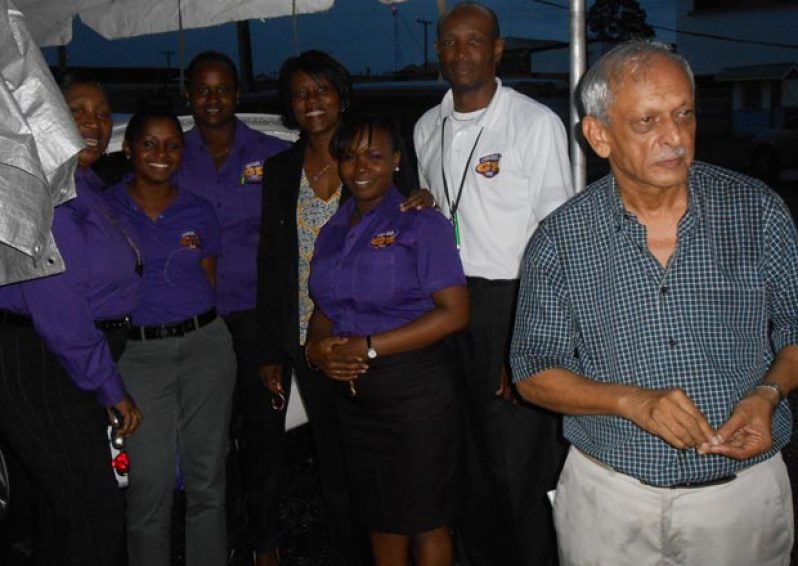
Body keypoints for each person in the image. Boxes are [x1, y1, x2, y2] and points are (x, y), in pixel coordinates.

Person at [510, 40, 797, 566]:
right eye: (646, 122)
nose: (674, 138)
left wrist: (768, 392)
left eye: (683, 114)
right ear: (599, 135)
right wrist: (632, 402)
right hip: (610, 501)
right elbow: (532, 371)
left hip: (740, 500)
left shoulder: (757, 212)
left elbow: (796, 331)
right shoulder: (561, 239)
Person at [413, 2, 573, 564]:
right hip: (447, 306)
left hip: (513, 302)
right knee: (465, 456)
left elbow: (558, 240)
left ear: (497, 50)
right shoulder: (425, 126)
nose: (461, 53)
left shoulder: (534, 123)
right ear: (438, 51)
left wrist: (525, 340)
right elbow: (440, 211)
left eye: (474, 41)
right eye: (450, 42)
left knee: (521, 463)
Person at [256, 50, 430, 566]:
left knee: (385, 463)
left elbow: (413, 216)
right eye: (301, 93)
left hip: (377, 333)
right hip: (314, 338)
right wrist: (272, 347)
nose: (312, 102)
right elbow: (272, 260)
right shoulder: (281, 169)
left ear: (341, 94)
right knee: (333, 466)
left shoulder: (373, 153)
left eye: (322, 90)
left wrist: (423, 197)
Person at [306, 111, 468, 566]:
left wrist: (370, 345)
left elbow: (455, 313)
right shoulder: (334, 229)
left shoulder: (422, 222)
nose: (361, 167)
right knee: (379, 517)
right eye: (351, 156)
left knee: (425, 519)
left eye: (375, 156)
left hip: (416, 395)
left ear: (397, 160)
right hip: (356, 400)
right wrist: (316, 348)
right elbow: (325, 306)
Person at [0, 74, 143, 565]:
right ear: (46, 114)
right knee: (94, 515)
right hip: (44, 363)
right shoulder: (48, 191)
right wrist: (111, 388)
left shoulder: (84, 185)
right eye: (77, 109)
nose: (94, 122)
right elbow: (58, 306)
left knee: (59, 510)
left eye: (103, 113)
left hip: (64, 363)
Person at [106, 103, 236, 566]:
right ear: (128, 150)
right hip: (139, 357)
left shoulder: (198, 210)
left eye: (172, 145)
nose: (161, 153)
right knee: (150, 484)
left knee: (207, 480)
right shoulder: (105, 208)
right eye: (149, 144)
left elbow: (208, 276)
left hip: (206, 348)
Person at [175, 50, 289, 564]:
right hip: (195, 323)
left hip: (257, 319)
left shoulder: (272, 153)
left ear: (238, 94)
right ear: (189, 94)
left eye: (223, 88)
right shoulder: (170, 154)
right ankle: (216, 539)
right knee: (208, 442)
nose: (213, 98)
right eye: (203, 89)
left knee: (264, 438)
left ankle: (264, 542)